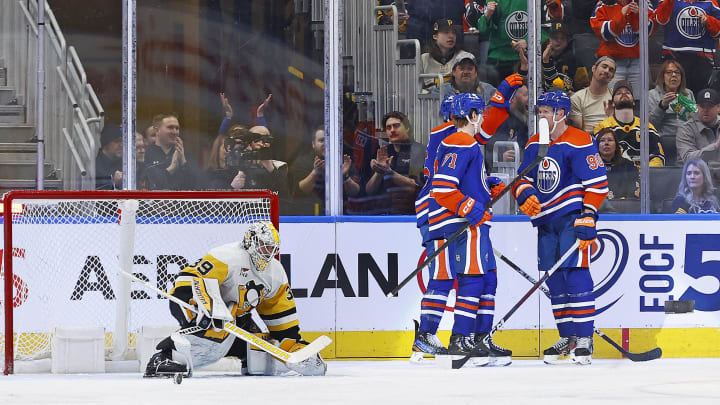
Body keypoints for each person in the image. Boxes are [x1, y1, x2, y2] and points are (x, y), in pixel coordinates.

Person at [144, 221, 327, 377]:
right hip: (194, 304)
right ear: (251, 242)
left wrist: (291, 342)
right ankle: (164, 359)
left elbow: (280, 310)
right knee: (213, 335)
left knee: (259, 346)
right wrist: (205, 309)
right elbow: (188, 280)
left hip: (234, 315)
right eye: (264, 246)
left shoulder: (276, 273)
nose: (268, 252)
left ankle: (247, 359)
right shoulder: (227, 256)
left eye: (272, 248)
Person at [428, 82, 523, 365]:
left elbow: (461, 182)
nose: (482, 117)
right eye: (479, 112)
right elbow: (443, 188)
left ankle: (481, 338)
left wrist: (485, 186)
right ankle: (461, 339)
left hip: (471, 222)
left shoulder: (467, 143)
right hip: (462, 223)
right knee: (472, 279)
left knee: (488, 277)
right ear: (469, 115)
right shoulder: (461, 141)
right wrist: (470, 207)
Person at [512, 90, 608, 365]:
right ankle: (568, 337)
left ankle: (585, 340)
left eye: (545, 110)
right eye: (539, 110)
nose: (540, 115)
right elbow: (522, 178)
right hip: (545, 223)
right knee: (553, 279)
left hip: (571, 219)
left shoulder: (580, 141)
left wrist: (588, 214)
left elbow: (597, 183)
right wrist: (524, 193)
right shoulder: (534, 144)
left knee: (576, 273)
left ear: (560, 113)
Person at [411, 95, 457, 362]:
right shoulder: (447, 135)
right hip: (437, 212)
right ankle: (425, 336)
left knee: (454, 276)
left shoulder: (450, 135)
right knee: (441, 276)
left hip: (441, 210)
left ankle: (429, 335)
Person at [476, 0, 564, 86]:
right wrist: (487, 15)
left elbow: (546, 28)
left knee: (525, 96)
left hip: (527, 58)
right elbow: (483, 30)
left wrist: (529, 41)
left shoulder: (537, 1)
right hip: (498, 58)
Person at [364, 111, 425, 215]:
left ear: (407, 128)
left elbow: (416, 187)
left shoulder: (418, 151)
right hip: (383, 214)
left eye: (396, 126)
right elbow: (369, 191)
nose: (392, 130)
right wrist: (378, 172)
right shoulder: (382, 151)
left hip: (411, 215)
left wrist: (389, 172)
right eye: (388, 127)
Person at [590, 0, 657, 94]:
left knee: (639, 101)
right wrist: (621, 15)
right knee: (611, 100)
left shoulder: (644, 3)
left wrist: (637, 15)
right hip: (612, 62)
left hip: (638, 61)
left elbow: (649, 33)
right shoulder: (603, 5)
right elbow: (604, 34)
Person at [593, 80, 666, 167]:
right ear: (612, 103)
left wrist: (645, 172)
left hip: (643, 177)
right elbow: (598, 158)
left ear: (634, 102)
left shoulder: (647, 126)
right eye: (618, 93)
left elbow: (658, 156)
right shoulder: (603, 127)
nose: (623, 94)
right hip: (617, 176)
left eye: (627, 92)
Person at [653, 0, 720, 94]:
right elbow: (660, 19)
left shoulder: (710, 2)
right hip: (674, 57)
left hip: (702, 59)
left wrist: (708, 20)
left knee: (698, 96)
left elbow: (718, 32)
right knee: (675, 96)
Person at [290, 126, 360, 215]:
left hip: (341, 216)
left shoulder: (344, 161)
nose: (326, 144)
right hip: (309, 217)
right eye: (321, 140)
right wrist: (315, 173)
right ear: (313, 144)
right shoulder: (303, 162)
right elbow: (300, 191)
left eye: (329, 140)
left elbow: (355, 192)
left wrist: (345, 177)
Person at [648, 60, 697, 165]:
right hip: (664, 138)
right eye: (669, 72)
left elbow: (694, 120)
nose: (673, 75)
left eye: (677, 72)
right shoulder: (652, 95)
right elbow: (651, 125)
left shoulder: (688, 94)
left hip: (686, 138)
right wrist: (662, 106)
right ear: (662, 76)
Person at [144, 113, 204, 190]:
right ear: (157, 130)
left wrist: (183, 162)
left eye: (177, 128)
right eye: (170, 127)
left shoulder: (185, 155)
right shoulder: (146, 154)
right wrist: (171, 169)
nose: (175, 132)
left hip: (181, 201)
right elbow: (148, 184)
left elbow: (197, 185)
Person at [484, 83, 528, 171]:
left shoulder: (519, 122)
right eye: (525, 95)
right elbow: (484, 149)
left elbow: (524, 147)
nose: (528, 100)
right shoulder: (492, 119)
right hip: (494, 173)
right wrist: (500, 157)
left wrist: (519, 157)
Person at [569, 56, 616, 133]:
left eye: (611, 70)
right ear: (594, 68)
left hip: (612, 140)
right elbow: (578, 131)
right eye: (604, 67)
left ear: (612, 77)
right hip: (587, 141)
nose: (607, 71)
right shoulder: (577, 98)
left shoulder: (616, 96)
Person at [419, 19, 468, 92]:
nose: (451, 36)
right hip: (430, 101)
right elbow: (414, 88)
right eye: (446, 32)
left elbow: (470, 86)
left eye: (454, 33)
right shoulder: (423, 59)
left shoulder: (465, 57)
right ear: (435, 36)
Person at [676, 88, 720, 166]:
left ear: (718, 107)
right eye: (702, 106)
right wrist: (715, 146)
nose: (706, 110)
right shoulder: (685, 129)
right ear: (697, 107)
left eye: (710, 106)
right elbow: (687, 158)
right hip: (693, 175)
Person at [595, 127, 639, 205]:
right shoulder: (590, 167)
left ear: (616, 145)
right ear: (597, 145)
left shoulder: (629, 165)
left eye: (610, 140)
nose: (606, 143)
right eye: (602, 140)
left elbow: (632, 193)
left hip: (623, 208)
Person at [542, 20, 589, 92]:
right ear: (549, 39)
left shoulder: (573, 60)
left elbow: (584, 85)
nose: (559, 40)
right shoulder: (538, 58)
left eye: (562, 38)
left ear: (568, 40)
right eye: (555, 37)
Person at [95, 123, 123, 190]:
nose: (121, 145)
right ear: (106, 143)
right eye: (117, 141)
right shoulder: (94, 166)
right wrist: (114, 184)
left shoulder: (124, 162)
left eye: (122, 141)